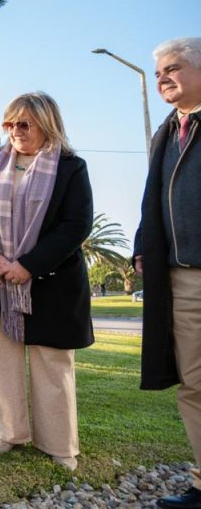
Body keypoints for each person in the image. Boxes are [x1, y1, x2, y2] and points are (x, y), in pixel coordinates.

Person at [0, 92, 93, 472]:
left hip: (50, 282)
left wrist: (29, 265)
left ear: (46, 124)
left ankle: (59, 444)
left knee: (52, 364)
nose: (15, 131)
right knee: (0, 359)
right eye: (10, 124)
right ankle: (7, 432)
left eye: (24, 124)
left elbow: (76, 225)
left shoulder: (71, 168)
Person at [135, 38, 201, 509]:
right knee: (196, 382)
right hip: (181, 278)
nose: (163, 79)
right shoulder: (167, 131)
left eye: (172, 69)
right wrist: (143, 247)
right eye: (158, 73)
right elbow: (153, 197)